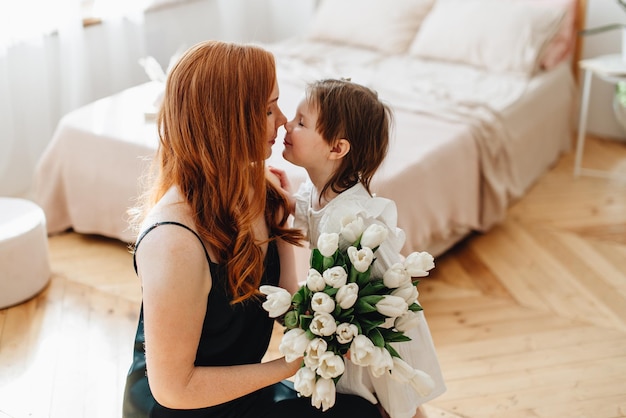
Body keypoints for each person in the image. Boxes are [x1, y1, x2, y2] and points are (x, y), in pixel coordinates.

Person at [121, 41, 383, 418]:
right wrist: (288, 366)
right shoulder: (173, 242)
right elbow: (174, 388)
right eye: (266, 109)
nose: (281, 121)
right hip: (184, 407)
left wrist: (348, 323)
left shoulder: (262, 189)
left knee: (369, 407)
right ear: (227, 122)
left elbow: (286, 298)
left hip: (241, 391)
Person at [270, 79, 446, 418]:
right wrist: (286, 199)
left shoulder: (353, 217)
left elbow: (375, 281)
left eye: (301, 122)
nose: (287, 125)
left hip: (374, 320)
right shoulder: (319, 189)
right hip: (344, 310)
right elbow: (310, 211)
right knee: (377, 396)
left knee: (390, 395)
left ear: (337, 149)